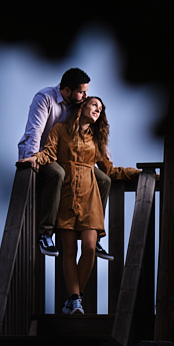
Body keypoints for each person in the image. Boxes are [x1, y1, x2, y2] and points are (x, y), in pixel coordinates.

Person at [22, 96, 139, 315]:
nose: (98, 109)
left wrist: (137, 173)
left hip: (90, 198)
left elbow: (109, 170)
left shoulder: (97, 137)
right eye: (94, 104)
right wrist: (34, 158)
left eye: (101, 108)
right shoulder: (59, 129)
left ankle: (74, 298)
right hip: (66, 195)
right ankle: (75, 300)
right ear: (82, 106)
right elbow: (49, 153)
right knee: (69, 250)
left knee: (89, 248)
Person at [16, 67, 110, 258]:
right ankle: (46, 233)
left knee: (103, 180)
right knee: (58, 173)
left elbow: (90, 131)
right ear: (66, 90)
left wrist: (104, 159)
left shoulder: (79, 103)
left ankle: (92, 234)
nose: (85, 96)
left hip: (68, 157)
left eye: (86, 91)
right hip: (45, 154)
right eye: (81, 91)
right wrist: (33, 158)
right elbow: (35, 132)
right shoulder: (45, 98)